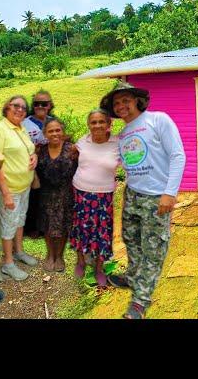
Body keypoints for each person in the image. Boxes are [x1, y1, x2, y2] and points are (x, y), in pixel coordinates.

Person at [100, 82, 186, 319]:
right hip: (132, 194)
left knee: (153, 249)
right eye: (116, 103)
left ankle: (140, 302)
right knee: (131, 239)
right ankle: (133, 275)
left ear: (136, 100)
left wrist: (170, 193)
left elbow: (178, 155)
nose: (121, 106)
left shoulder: (158, 120)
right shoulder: (123, 134)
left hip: (156, 196)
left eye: (125, 100)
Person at [69, 108, 120, 287]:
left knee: (102, 232)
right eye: (93, 122)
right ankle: (81, 261)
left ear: (109, 124)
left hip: (104, 196)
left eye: (101, 122)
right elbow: (71, 156)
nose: (97, 125)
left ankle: (98, 268)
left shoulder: (118, 143)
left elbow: (133, 162)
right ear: (88, 125)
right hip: (81, 192)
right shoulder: (82, 141)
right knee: (81, 229)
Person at [0, 95, 39, 281]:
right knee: (8, 224)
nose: (20, 110)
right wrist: (6, 193)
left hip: (24, 185)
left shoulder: (21, 128)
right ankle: (8, 263)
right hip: (9, 187)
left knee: (20, 220)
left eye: (23, 108)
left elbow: (29, 149)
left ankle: (19, 252)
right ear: (6, 108)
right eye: (16, 106)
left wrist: (34, 156)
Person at [34, 117, 77, 272]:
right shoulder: (40, 150)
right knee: (47, 226)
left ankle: (59, 256)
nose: (55, 134)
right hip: (46, 194)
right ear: (45, 134)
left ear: (62, 131)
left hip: (66, 193)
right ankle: (50, 254)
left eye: (57, 130)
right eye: (50, 131)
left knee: (63, 226)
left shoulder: (72, 149)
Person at [22, 90, 55, 237]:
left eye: (44, 103)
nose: (40, 106)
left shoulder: (53, 122)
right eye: (36, 104)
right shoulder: (25, 123)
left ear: (50, 105)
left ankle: (45, 226)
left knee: (47, 197)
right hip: (31, 165)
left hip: (50, 165)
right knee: (32, 197)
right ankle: (30, 228)